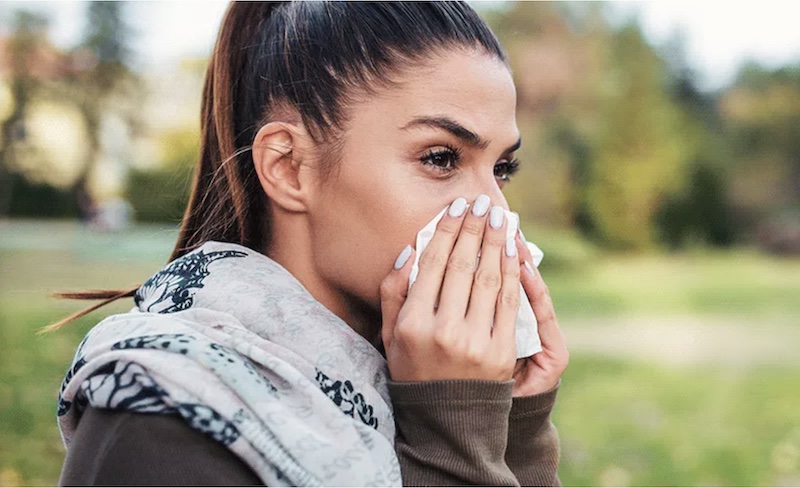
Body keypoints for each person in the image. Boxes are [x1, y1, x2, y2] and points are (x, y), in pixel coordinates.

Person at [51, 1, 569, 486]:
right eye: (440, 158)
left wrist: (515, 428)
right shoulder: (161, 418)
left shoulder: (414, 378)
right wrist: (453, 429)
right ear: (288, 167)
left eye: (502, 169)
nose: (496, 212)